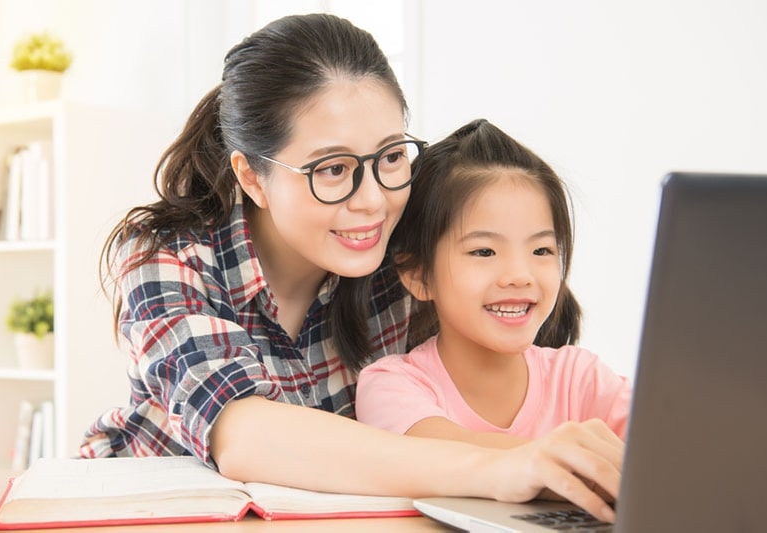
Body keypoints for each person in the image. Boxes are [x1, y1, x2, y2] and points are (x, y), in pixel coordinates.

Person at [80, 14, 621, 523]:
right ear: (251, 177)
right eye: (333, 169)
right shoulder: (170, 258)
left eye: (390, 158)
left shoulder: (402, 254)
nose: (373, 202)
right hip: (144, 510)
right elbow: (244, 433)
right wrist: (511, 466)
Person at [356, 117, 631, 475]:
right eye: (484, 252)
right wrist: (565, 458)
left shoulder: (580, 378)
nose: (519, 275)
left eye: (542, 251)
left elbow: (671, 442)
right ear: (418, 274)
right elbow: (430, 448)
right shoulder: (392, 385)